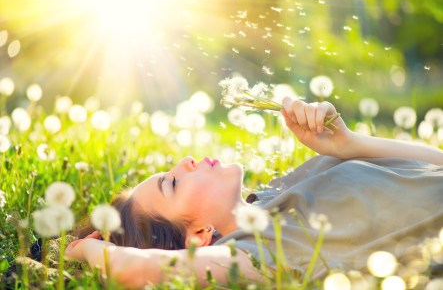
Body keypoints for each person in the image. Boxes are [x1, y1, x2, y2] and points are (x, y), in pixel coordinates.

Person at [66, 97, 443, 288]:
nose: (185, 161)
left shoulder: (273, 195)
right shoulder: (256, 251)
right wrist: (88, 250)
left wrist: (348, 145)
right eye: (174, 183)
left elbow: (435, 166)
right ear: (198, 237)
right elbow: (140, 270)